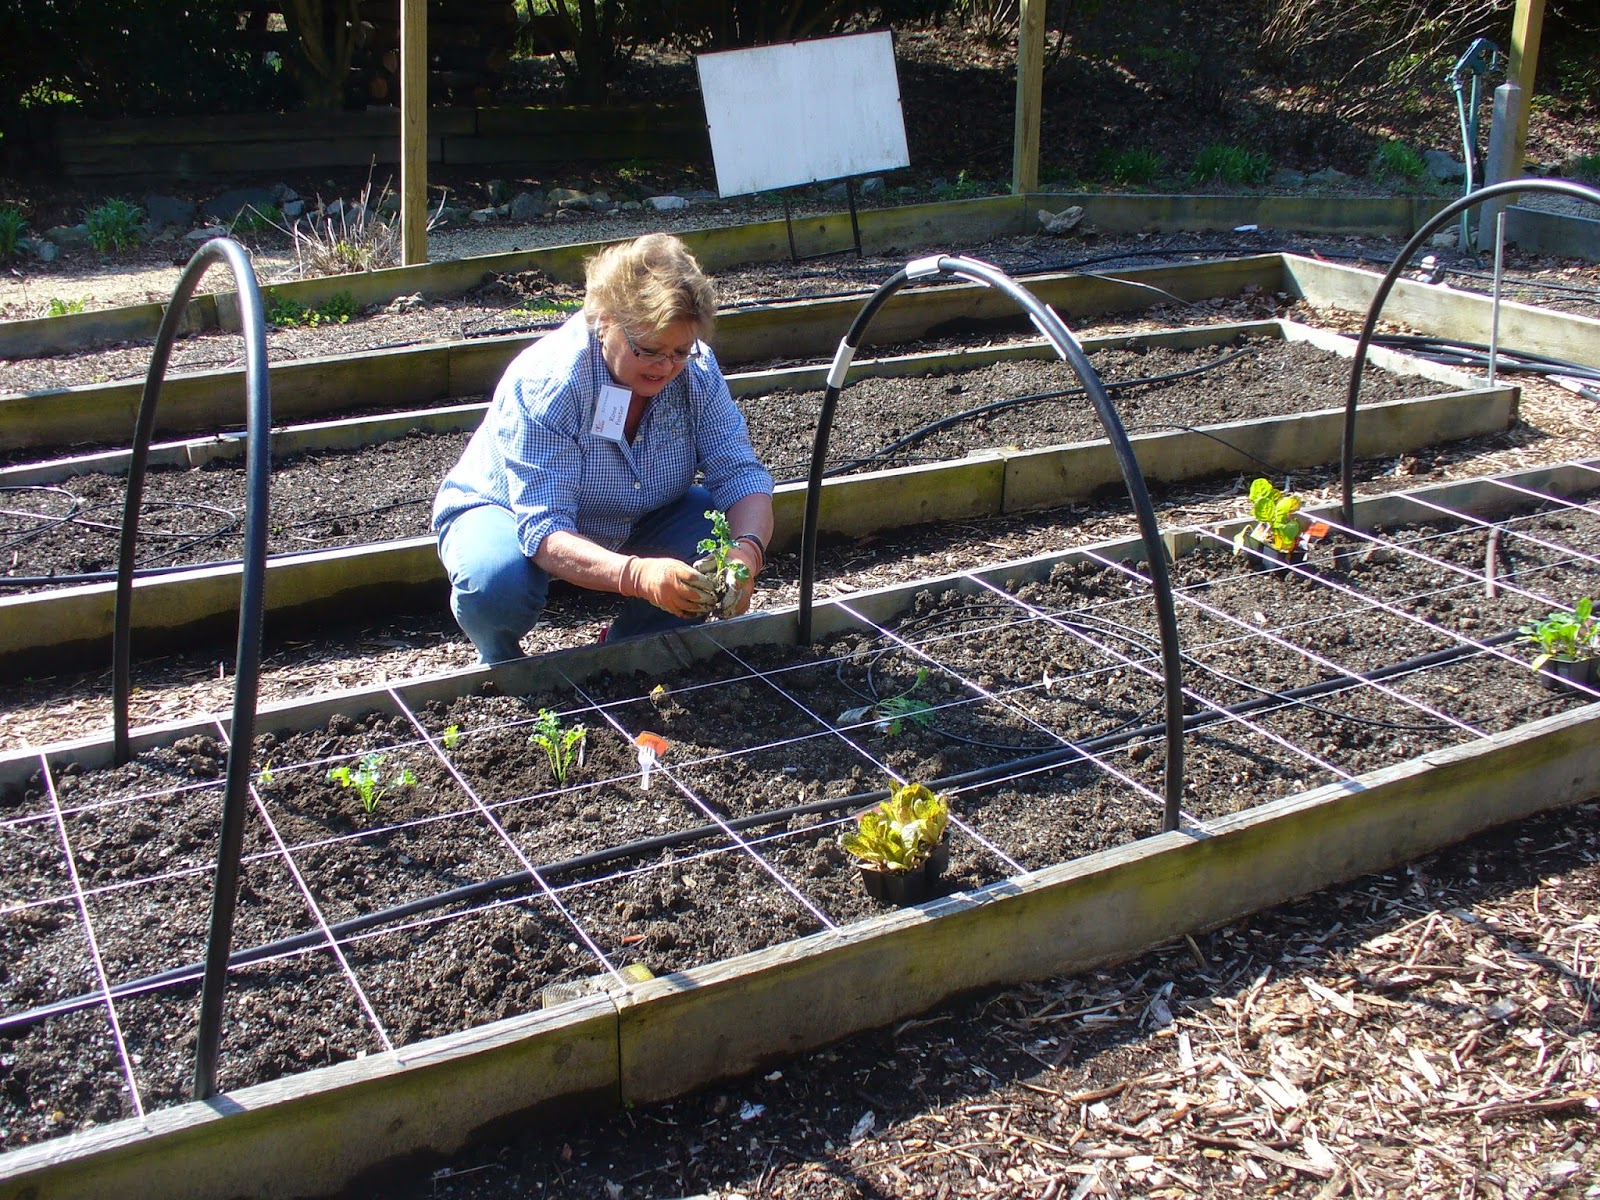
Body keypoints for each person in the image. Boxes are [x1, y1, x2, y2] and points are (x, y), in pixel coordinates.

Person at [432, 233, 775, 664]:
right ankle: (501, 666)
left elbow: (740, 474)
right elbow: (544, 528)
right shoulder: (552, 381)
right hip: (506, 512)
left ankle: (629, 649)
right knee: (495, 584)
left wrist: (746, 551)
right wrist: (638, 575)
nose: (666, 366)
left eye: (680, 351)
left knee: (712, 537)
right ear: (605, 319)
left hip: (632, 514)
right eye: (649, 350)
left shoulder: (696, 370)